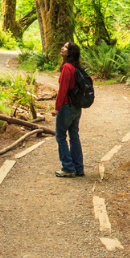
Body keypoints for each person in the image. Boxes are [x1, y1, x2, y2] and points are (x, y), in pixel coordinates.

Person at [54, 41, 85, 177]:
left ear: (70, 52)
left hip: (67, 106)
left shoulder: (67, 67)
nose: (62, 48)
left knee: (61, 137)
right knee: (74, 137)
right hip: (76, 107)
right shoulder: (76, 66)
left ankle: (68, 168)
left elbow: (63, 89)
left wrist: (57, 108)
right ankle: (78, 168)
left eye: (66, 47)